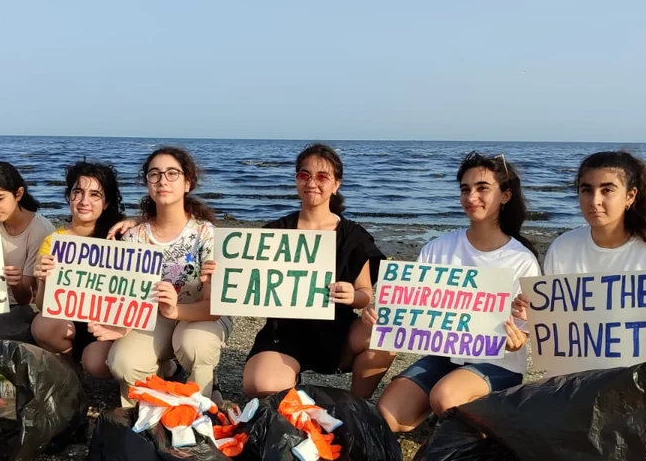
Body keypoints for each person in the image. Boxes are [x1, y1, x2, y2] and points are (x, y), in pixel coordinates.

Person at [377, 152, 540, 432]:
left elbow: (523, 333)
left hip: (497, 364)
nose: (471, 196)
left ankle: (487, 424)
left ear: (505, 196)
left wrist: (518, 337)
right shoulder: (437, 248)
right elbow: (413, 308)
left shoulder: (520, 259)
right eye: (465, 189)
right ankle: (447, 419)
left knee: (446, 397)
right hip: (446, 355)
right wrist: (385, 311)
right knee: (389, 414)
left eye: (482, 188)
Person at [514, 150, 646, 383]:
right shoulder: (563, 247)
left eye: (607, 190)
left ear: (630, 196)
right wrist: (534, 316)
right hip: (584, 353)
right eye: (586, 190)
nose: (595, 201)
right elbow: (561, 331)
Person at [242, 143, 395, 399]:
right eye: (305, 175)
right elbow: (247, 282)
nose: (312, 182)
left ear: (336, 184)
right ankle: (288, 376)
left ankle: (357, 405)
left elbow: (365, 293)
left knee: (388, 334)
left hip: (337, 333)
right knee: (261, 388)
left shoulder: (353, 236)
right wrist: (221, 271)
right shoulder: (274, 233)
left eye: (322, 176)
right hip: (284, 333)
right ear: (296, 180)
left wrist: (353, 296)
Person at [101, 147, 230, 406]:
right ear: (146, 182)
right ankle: (153, 400)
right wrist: (118, 324)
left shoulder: (207, 234)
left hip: (200, 315)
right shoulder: (134, 236)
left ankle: (200, 404)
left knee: (195, 344)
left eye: (172, 173)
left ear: (187, 182)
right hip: (152, 317)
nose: (162, 181)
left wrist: (174, 311)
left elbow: (213, 308)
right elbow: (126, 295)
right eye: (154, 174)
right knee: (124, 363)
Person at [30, 161, 127, 376]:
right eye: (78, 192)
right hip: (70, 322)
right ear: (68, 196)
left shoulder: (121, 238)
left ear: (107, 201)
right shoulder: (54, 241)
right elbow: (41, 304)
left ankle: (166, 367)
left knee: (97, 364)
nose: (84, 201)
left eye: (95, 195)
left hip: (107, 323)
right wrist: (44, 279)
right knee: (42, 325)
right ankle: (70, 367)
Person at [0, 161, 55, 342]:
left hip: (29, 306)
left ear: (18, 194)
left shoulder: (40, 230)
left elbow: (27, 297)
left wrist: (16, 282)